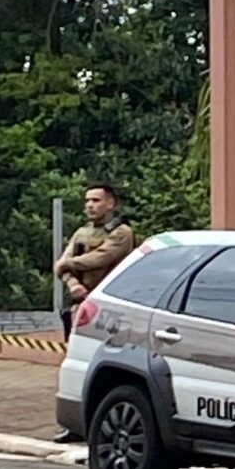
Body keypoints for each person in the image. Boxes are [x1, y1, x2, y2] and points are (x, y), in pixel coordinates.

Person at [51, 182, 134, 443]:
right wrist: (73, 284)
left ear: (110, 203)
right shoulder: (81, 233)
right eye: (88, 200)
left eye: (96, 200)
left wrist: (68, 264)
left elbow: (100, 258)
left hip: (113, 307)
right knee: (78, 365)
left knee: (110, 367)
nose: (90, 205)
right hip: (83, 306)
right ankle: (75, 424)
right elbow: (61, 267)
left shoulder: (122, 233)